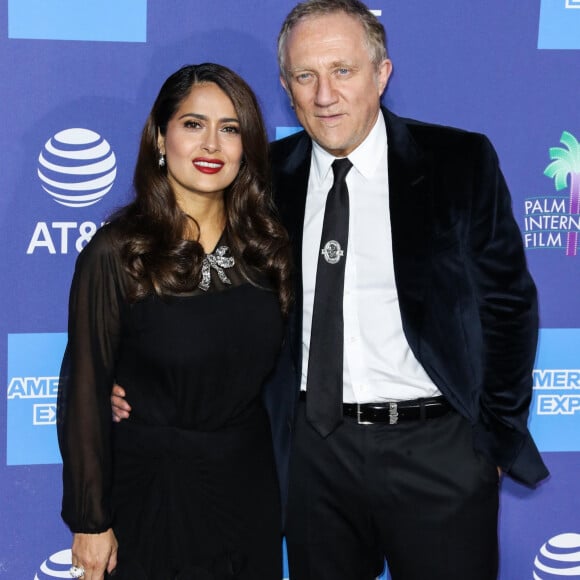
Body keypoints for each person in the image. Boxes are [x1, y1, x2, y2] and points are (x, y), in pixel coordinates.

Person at [113, 2, 549, 579]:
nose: (325, 95)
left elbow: (509, 307)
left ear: (381, 74)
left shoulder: (458, 163)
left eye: (342, 71)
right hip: (313, 458)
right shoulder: (262, 180)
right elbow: (197, 289)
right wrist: (128, 379)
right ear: (286, 87)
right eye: (305, 75)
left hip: (439, 451)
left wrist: (491, 445)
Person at [57, 63, 291, 580]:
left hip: (246, 488)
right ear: (161, 137)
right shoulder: (118, 253)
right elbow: (85, 386)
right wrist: (90, 521)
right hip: (150, 491)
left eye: (230, 129)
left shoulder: (269, 250)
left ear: (246, 148)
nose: (211, 145)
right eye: (193, 124)